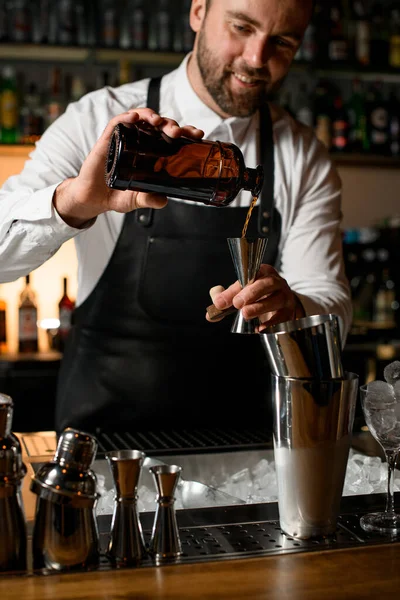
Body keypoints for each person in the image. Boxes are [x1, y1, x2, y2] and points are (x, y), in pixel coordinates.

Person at [0, 0, 352, 435]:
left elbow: (329, 300)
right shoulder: (97, 119)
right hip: (109, 450)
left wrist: (294, 307)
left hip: (246, 452)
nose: (257, 58)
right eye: (242, 26)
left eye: (282, 41)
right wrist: (73, 201)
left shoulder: (303, 156)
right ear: (199, 12)